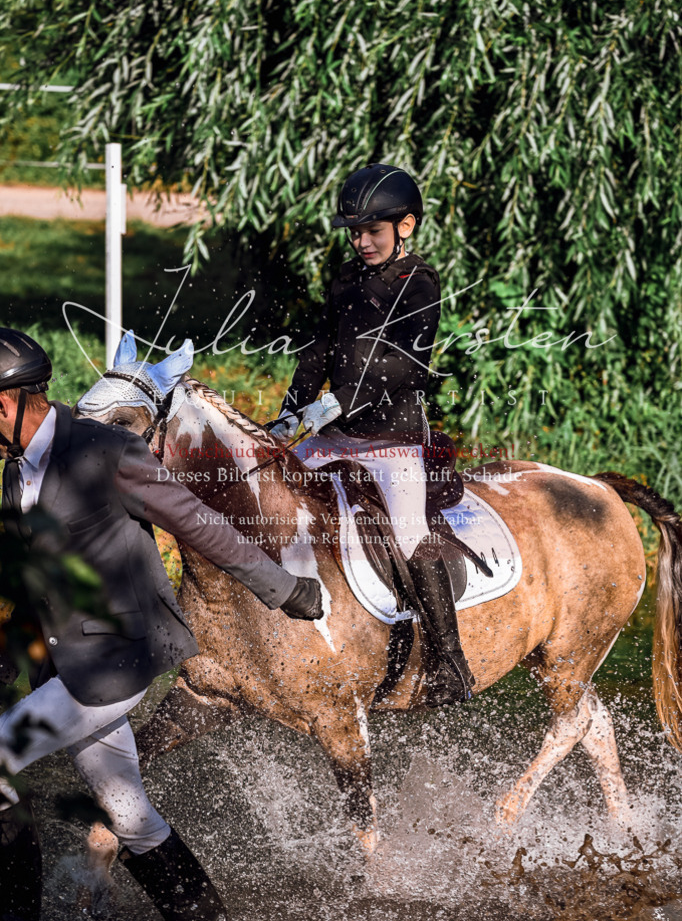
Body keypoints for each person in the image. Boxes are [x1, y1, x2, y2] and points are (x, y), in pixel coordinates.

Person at [0, 327, 322, 921]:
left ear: (4, 402)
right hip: (65, 662)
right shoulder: (16, 471)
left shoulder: (105, 451)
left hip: (117, 658)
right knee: (130, 817)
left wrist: (284, 588)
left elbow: (198, 523)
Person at [269, 163, 475, 709]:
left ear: (405, 227)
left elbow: (407, 365)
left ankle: (450, 663)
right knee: (268, 487)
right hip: (335, 433)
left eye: (372, 232)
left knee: (408, 534)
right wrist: (291, 413)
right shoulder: (344, 278)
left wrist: (336, 402)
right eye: (355, 232)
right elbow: (318, 350)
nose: (361, 242)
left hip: (393, 437)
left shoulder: (420, 281)